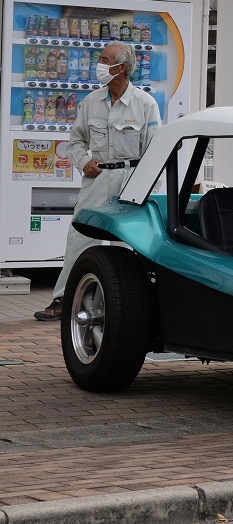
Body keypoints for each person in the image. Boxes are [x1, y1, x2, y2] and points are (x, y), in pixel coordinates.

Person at [35, 42, 161, 321]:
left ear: (122, 68)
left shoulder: (145, 104)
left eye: (105, 60)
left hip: (131, 178)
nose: (98, 64)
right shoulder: (91, 101)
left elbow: (155, 152)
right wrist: (83, 162)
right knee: (80, 236)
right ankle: (63, 299)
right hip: (98, 175)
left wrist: (150, 192)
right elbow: (77, 140)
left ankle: (117, 304)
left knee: (123, 244)